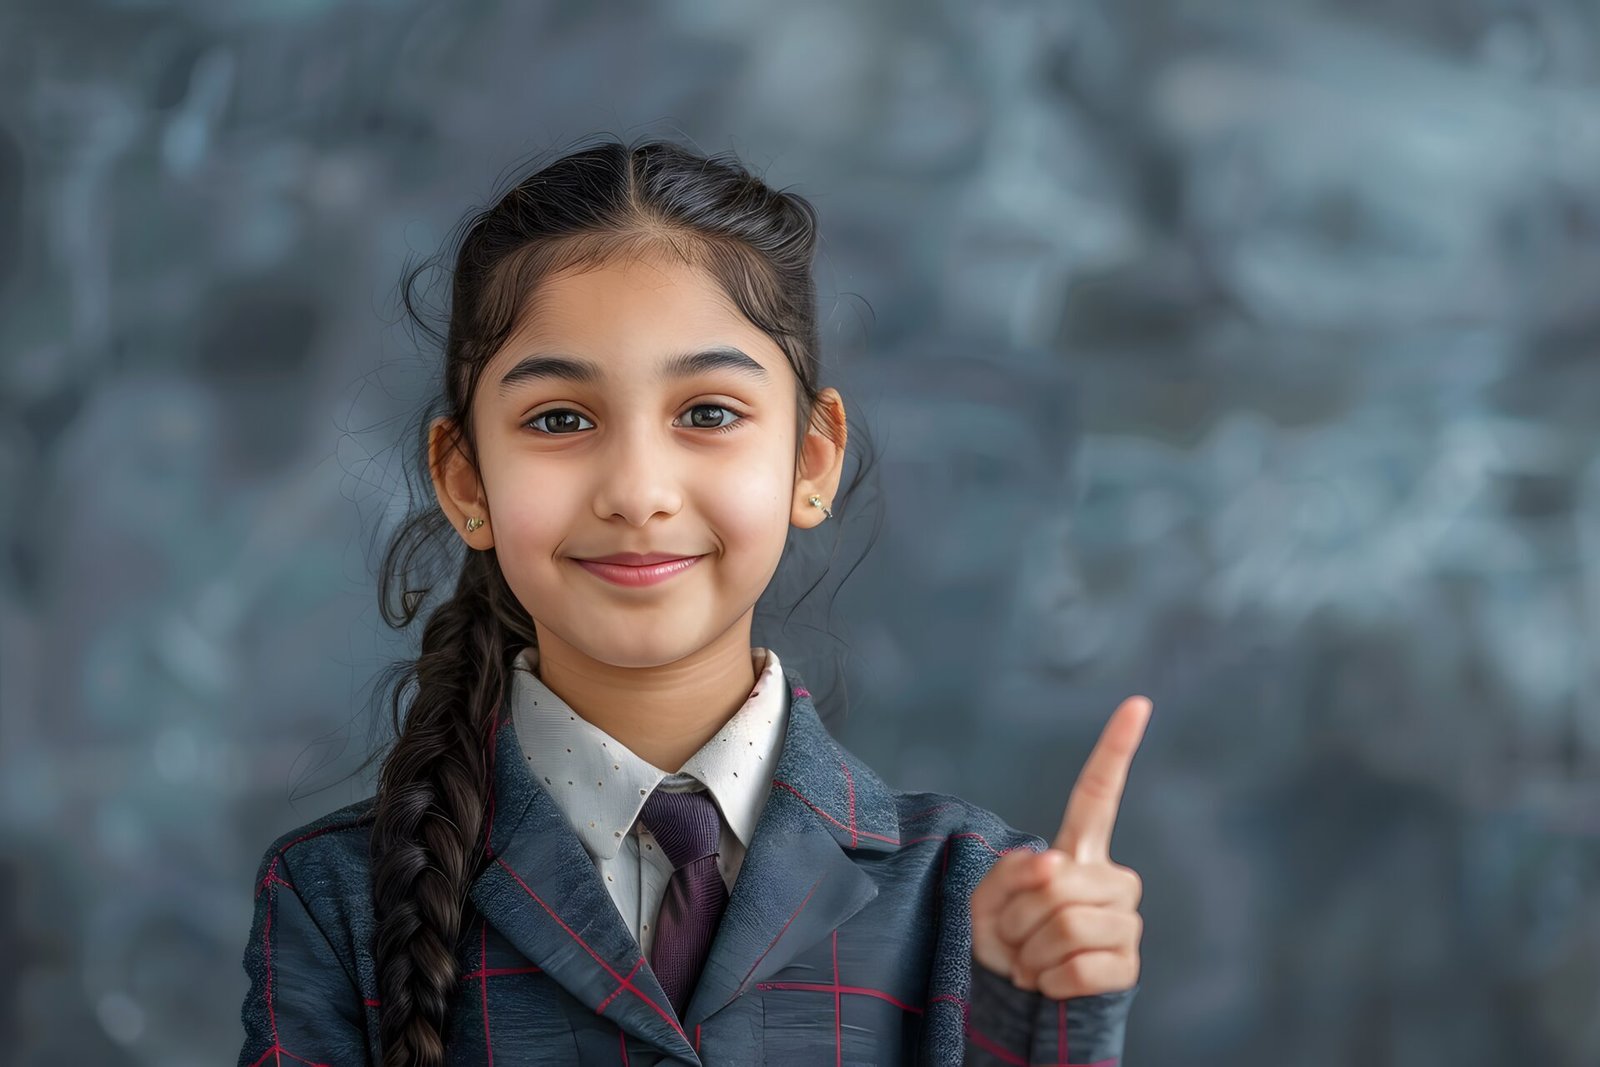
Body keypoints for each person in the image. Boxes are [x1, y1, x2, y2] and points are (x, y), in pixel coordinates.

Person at [236, 136, 1146, 1066]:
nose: (637, 490)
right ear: (464, 479)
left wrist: (1045, 1031)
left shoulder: (971, 895)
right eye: (559, 419)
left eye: (708, 413)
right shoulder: (335, 899)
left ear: (811, 460)